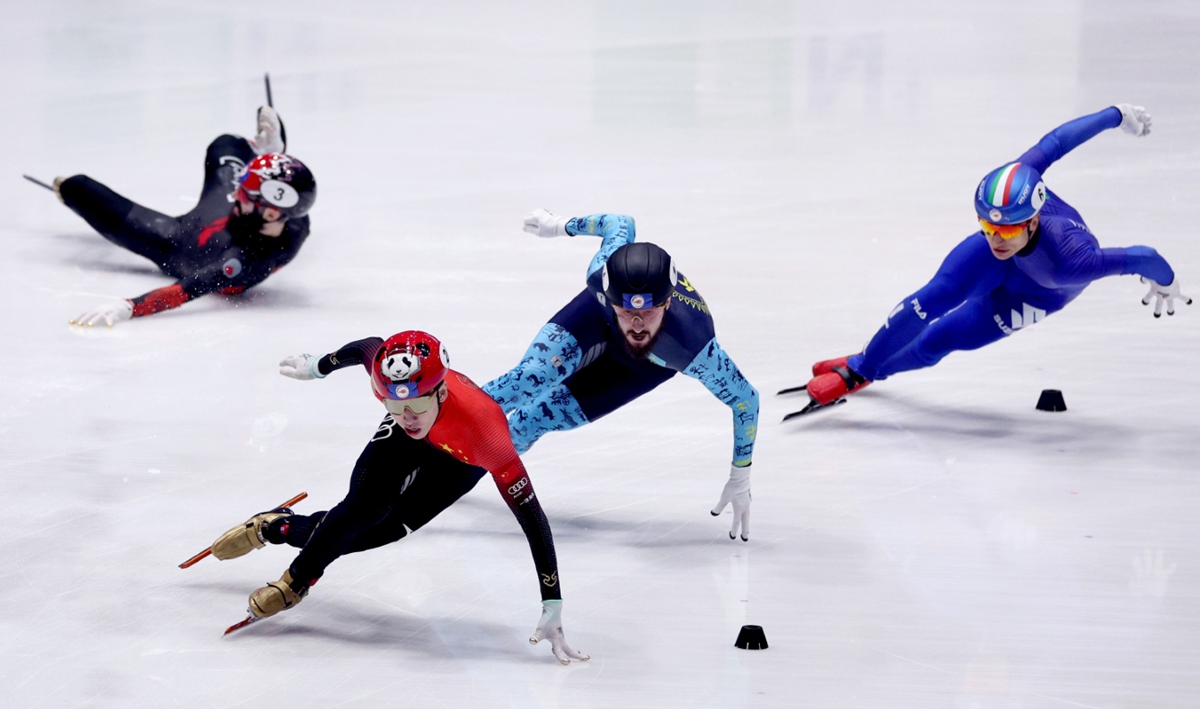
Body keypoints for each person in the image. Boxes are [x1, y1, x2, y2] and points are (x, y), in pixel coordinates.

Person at [207, 331, 587, 664]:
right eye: (393, 405)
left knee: (381, 531)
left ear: (440, 391)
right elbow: (367, 346)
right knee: (364, 509)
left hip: (460, 454)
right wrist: (319, 366)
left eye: (417, 405)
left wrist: (551, 600)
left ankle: (277, 526)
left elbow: (533, 519)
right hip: (406, 444)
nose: (407, 416)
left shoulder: (487, 435)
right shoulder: (396, 389)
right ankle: (295, 583)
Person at [805, 104, 1190, 408]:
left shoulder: (1071, 265)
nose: (995, 239)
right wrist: (1116, 114)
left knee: (938, 341)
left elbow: (1144, 256)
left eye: (1005, 229)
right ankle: (863, 364)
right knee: (933, 297)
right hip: (1020, 260)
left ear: (1034, 220)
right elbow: (1058, 141)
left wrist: (1166, 282)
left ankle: (872, 368)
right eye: (987, 226)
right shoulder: (1014, 190)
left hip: (1040, 290)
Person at [485, 211, 760, 541]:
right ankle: (436, 423)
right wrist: (559, 226)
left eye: (648, 312)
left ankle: (454, 466)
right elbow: (619, 223)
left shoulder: (693, 345)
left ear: (668, 303)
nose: (637, 324)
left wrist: (740, 476)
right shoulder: (600, 271)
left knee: (531, 421)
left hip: (644, 364)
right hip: (597, 317)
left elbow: (746, 401)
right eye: (629, 311)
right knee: (528, 379)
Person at [51, 106, 316, 326]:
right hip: (219, 214)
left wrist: (128, 307)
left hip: (177, 242)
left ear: (270, 213)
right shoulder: (292, 217)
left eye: (245, 195)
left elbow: (184, 290)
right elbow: (293, 187)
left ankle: (265, 156)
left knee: (76, 188)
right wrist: (273, 164)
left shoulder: (243, 261)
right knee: (225, 144)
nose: (237, 194)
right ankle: (266, 154)